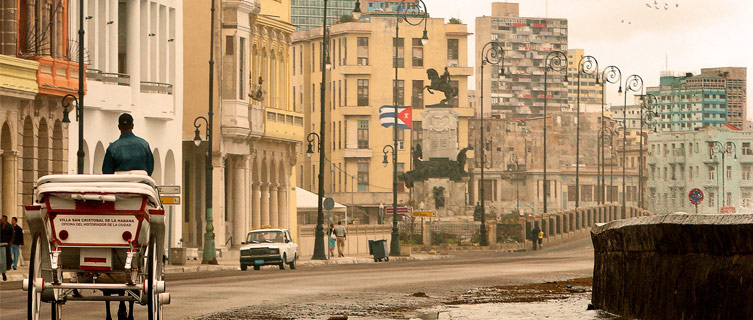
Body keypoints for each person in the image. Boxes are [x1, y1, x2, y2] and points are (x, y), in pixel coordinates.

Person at [0, 215, 12, 281]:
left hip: (5, 244)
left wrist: (10, 241)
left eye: (2, 219)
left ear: (5, 219)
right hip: (0, 243)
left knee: (4, 261)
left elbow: (12, 235)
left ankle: (3, 273)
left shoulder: (9, 226)